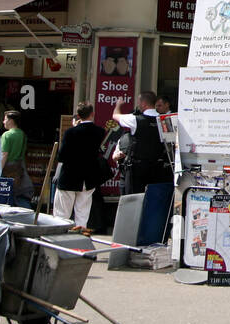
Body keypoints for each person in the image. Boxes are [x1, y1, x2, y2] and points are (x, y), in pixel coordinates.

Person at [54, 102, 108, 231]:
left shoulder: (70, 132)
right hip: (88, 178)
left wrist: (74, 127)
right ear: (92, 114)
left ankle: (59, 239)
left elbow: (61, 156)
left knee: (62, 214)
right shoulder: (100, 132)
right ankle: (79, 241)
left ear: (78, 116)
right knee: (82, 213)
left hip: (69, 176)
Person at [115, 92, 171, 193]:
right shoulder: (165, 120)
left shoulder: (135, 120)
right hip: (158, 168)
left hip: (138, 168)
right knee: (155, 199)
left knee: (135, 199)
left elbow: (115, 116)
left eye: (139, 102)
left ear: (144, 104)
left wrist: (118, 105)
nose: (138, 105)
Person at [0, 109, 33, 208]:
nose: (3, 122)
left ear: (11, 120)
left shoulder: (7, 135)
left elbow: (4, 154)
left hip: (7, 169)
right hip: (19, 169)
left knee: (6, 198)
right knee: (19, 196)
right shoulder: (22, 134)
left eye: (5, 119)